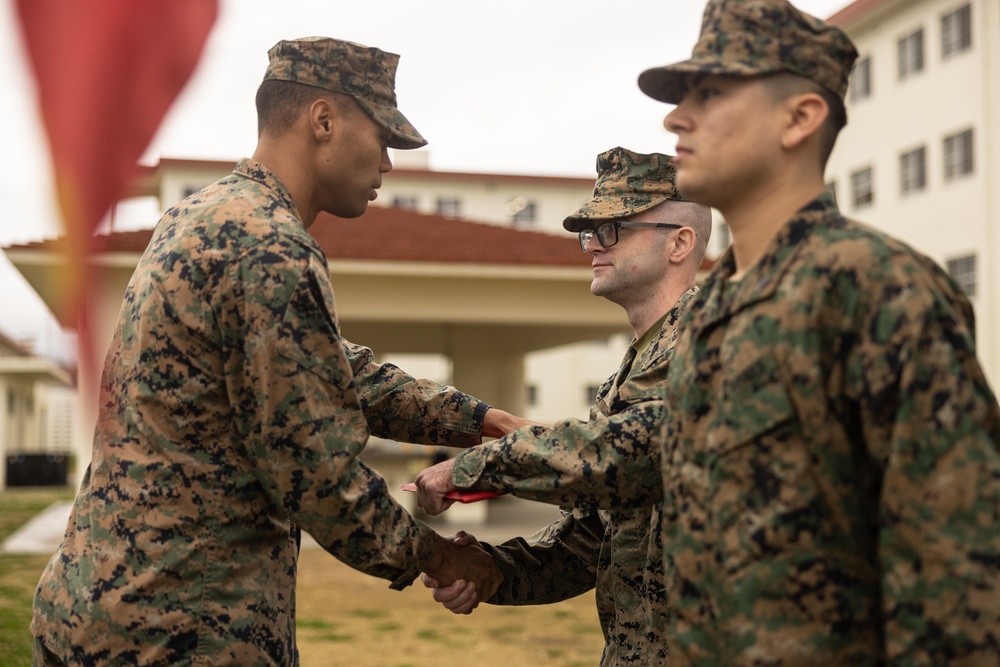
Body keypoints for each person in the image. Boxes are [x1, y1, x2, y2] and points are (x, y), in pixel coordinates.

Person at [30, 36, 522, 666]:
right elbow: (319, 480)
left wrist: (479, 422)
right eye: (383, 139)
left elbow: (337, 370)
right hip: (184, 630)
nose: (388, 164)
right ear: (324, 120)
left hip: (95, 606)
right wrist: (443, 557)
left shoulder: (201, 216)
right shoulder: (272, 249)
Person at [635, 0, 1000, 664]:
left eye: (710, 92)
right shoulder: (710, 307)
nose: (675, 116)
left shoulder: (876, 290)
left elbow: (958, 588)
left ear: (800, 117)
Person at [417, 147, 712, 665]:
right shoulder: (630, 373)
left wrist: (476, 465)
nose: (593, 244)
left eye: (614, 226)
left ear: (680, 243)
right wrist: (493, 568)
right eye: (589, 230)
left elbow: (625, 457)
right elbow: (593, 541)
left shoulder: (715, 341)